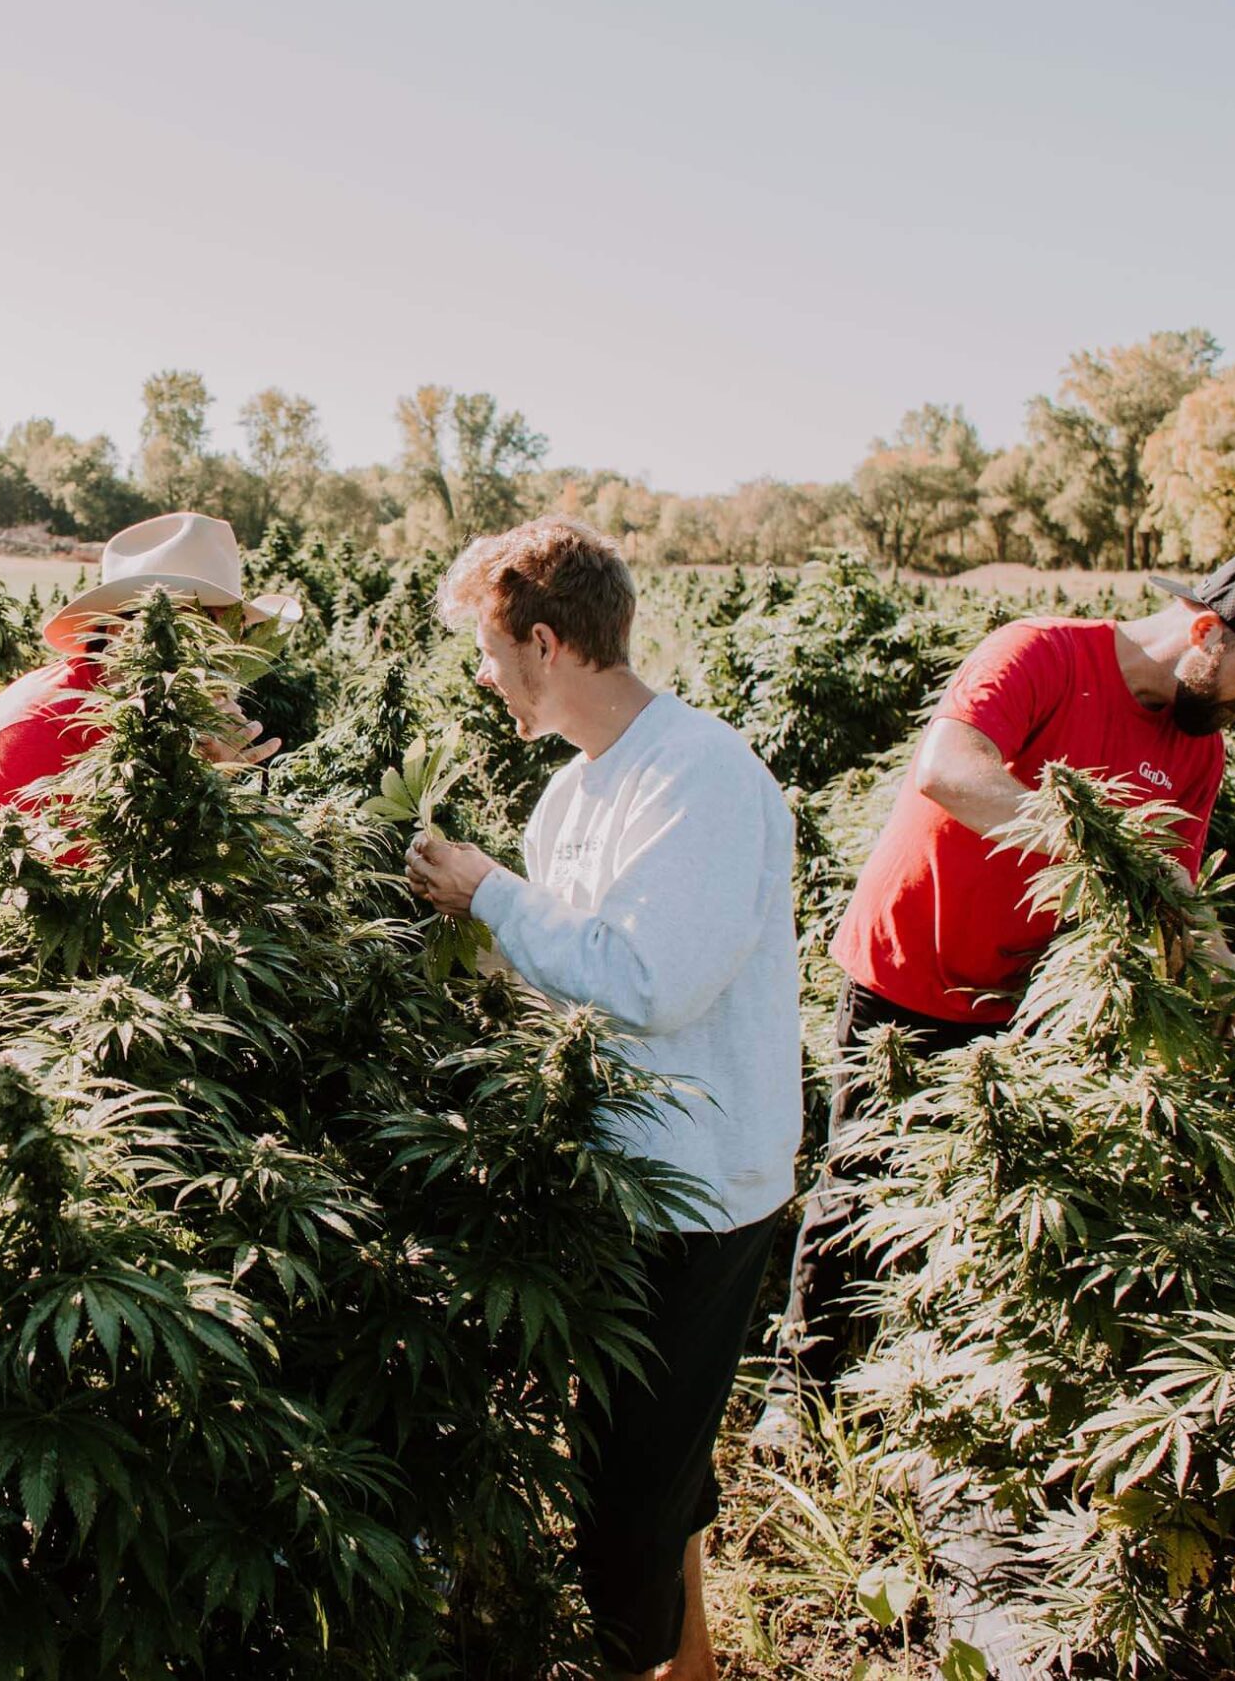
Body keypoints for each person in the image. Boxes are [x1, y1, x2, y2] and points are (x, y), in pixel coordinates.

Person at [771, 552, 1235, 1396]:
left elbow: (1175, 884)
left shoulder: (1196, 750)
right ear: (1205, 631)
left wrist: (1222, 973)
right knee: (858, 1186)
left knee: (985, 1205)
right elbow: (950, 771)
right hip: (912, 965)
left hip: (1030, 1000)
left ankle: (919, 1395)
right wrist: (1104, 845)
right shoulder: (1043, 652)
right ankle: (801, 1394)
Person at [404, 516, 800, 1681]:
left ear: (545, 639)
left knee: (627, 1491)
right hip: (618, 1170)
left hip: (697, 1188)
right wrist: (473, 939)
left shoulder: (701, 776)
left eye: (489, 648)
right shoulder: (572, 794)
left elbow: (649, 979)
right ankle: (696, 1665)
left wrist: (491, 897)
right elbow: (558, 965)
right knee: (647, 1461)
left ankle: (643, 1660)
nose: (482, 674)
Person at [0, 511, 297, 944]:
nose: (218, 658)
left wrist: (206, 774)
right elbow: (100, 886)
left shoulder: (138, 710)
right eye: (198, 631)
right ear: (122, 634)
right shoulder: (43, 725)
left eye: (228, 632)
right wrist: (207, 784)